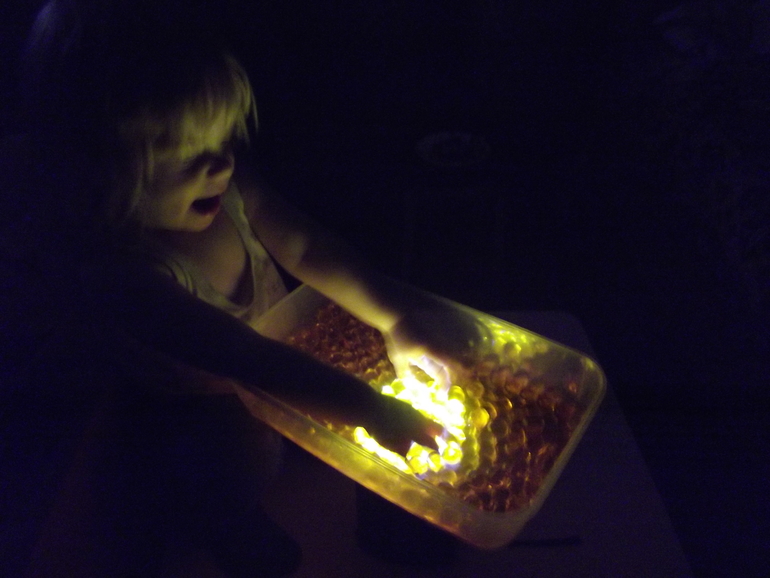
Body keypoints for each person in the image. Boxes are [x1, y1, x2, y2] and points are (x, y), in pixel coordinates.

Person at [7, 1, 480, 575]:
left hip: (276, 371)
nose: (222, 165)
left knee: (307, 419)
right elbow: (244, 358)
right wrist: (368, 409)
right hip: (203, 404)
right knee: (228, 468)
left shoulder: (225, 190)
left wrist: (395, 318)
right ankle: (232, 527)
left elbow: (304, 246)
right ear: (100, 171)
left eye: (226, 138)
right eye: (188, 155)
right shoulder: (123, 275)